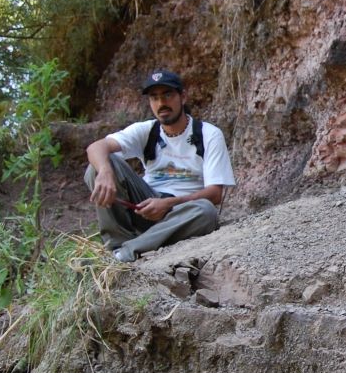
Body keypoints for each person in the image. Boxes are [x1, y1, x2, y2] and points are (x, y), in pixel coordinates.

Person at [85, 70, 235, 262]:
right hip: (145, 205)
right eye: (154, 98)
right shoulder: (146, 130)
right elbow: (96, 147)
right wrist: (105, 172)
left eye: (167, 95)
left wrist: (168, 204)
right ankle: (114, 247)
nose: (161, 103)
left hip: (181, 213)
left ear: (183, 96)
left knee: (206, 212)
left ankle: (126, 253)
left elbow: (214, 194)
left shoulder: (208, 134)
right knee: (99, 165)